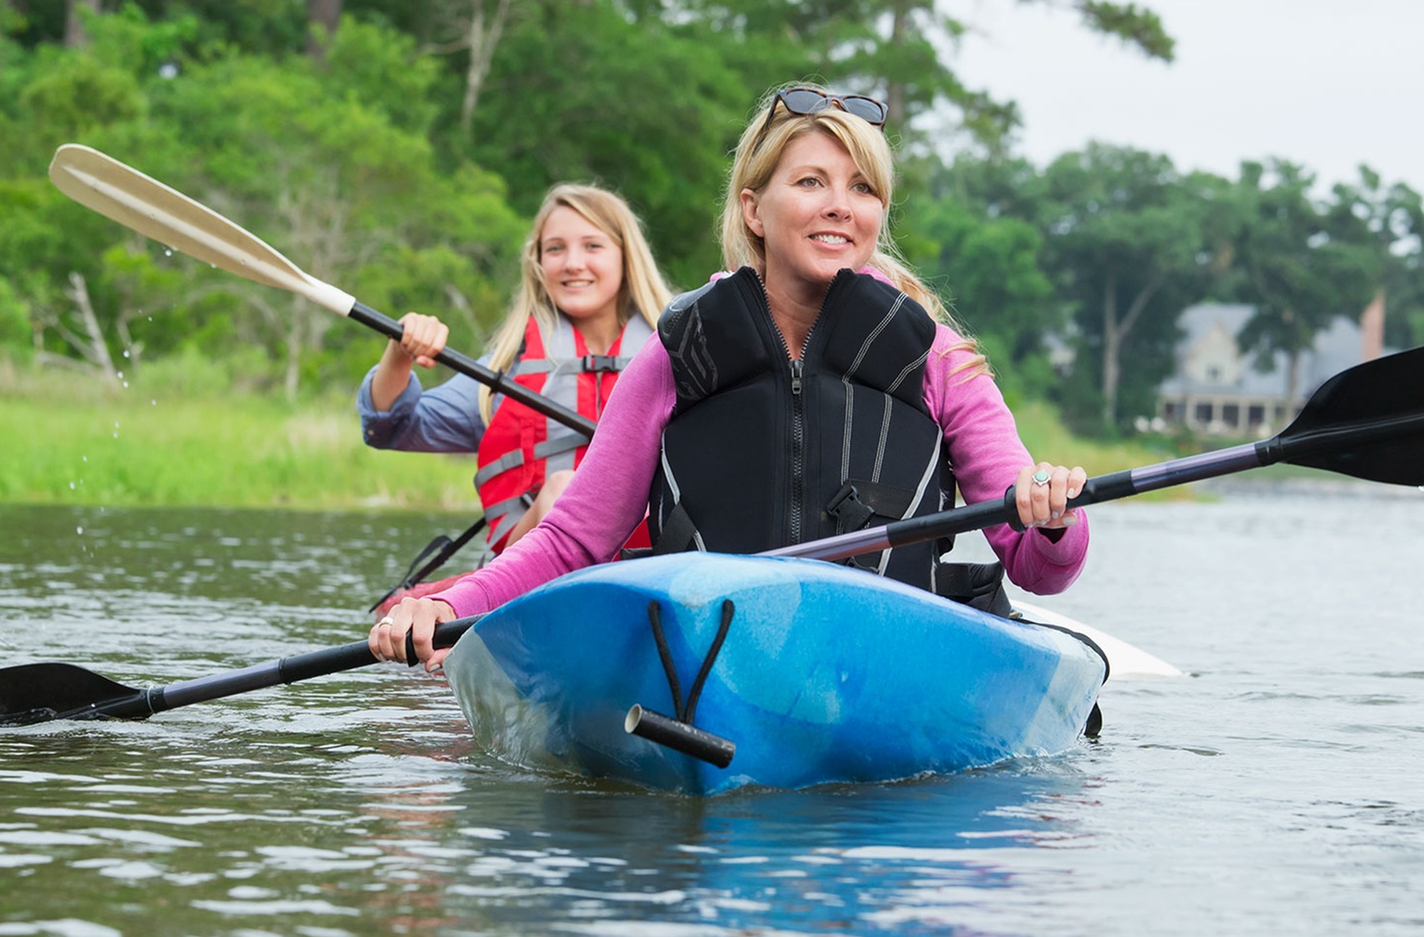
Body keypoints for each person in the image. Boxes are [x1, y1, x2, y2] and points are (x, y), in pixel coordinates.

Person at [372, 83, 1093, 670]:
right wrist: (452, 602)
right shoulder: (675, 353)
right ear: (753, 207)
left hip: (882, 658)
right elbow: (572, 540)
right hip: (709, 657)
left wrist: (1055, 515)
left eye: (862, 188)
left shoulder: (939, 360)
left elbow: (1038, 566)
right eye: (810, 181)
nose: (841, 204)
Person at [359, 183, 675, 557]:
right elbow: (391, 426)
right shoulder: (504, 370)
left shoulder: (680, 355)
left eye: (593, 246)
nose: (573, 263)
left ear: (626, 257)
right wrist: (399, 353)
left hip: (651, 561)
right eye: (555, 248)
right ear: (538, 263)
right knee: (563, 488)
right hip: (532, 567)